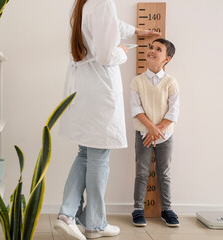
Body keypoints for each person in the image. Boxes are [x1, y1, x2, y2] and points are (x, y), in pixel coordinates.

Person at [53, 0, 161, 239]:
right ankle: (94, 224)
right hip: (99, 89)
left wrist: (135, 31)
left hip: (85, 86)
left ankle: (67, 214)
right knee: (99, 155)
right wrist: (122, 52)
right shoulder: (103, 2)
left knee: (85, 153)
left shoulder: (86, 3)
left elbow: (107, 25)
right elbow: (106, 55)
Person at [130, 38, 180, 227]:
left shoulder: (171, 82)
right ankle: (137, 209)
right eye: (150, 47)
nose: (151, 50)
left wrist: (157, 130)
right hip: (143, 134)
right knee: (142, 172)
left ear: (166, 59)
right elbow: (136, 109)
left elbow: (173, 112)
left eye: (157, 49)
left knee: (164, 172)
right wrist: (150, 129)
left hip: (165, 135)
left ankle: (167, 209)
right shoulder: (137, 81)